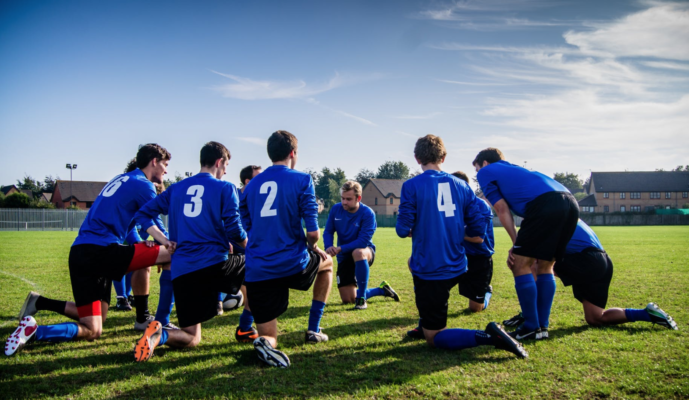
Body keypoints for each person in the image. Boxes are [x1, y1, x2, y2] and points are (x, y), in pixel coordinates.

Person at [6, 144, 174, 357]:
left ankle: (34, 329)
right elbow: (154, 218)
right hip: (100, 251)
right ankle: (151, 319)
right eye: (165, 165)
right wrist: (167, 243)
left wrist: (145, 245)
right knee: (172, 253)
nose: (166, 171)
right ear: (154, 161)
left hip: (80, 253)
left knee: (93, 327)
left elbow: (126, 227)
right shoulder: (144, 185)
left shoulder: (121, 180)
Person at [396, 135, 527, 359]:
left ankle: (488, 336)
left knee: (434, 337)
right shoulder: (462, 186)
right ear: (444, 157)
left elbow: (402, 229)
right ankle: (426, 320)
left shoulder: (411, 185)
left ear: (417, 158)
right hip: (459, 264)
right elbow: (478, 227)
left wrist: (415, 227)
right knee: (419, 275)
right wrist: (455, 230)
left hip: (431, 268)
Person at [132, 141, 256, 362]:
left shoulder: (176, 188)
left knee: (192, 337)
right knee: (261, 269)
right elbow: (235, 230)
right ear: (219, 162)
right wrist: (251, 248)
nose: (226, 170)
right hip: (214, 265)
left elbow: (142, 214)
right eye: (226, 165)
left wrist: (164, 240)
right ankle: (246, 327)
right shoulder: (226, 187)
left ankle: (158, 336)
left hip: (183, 271)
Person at [240, 130, 333, 368]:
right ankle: (313, 328)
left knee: (270, 335)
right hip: (292, 263)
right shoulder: (302, 179)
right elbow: (313, 233)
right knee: (328, 264)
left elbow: (245, 228)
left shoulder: (250, 187)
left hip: (259, 269)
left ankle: (265, 343)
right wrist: (313, 247)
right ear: (293, 153)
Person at [473, 148, 579, 341]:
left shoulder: (486, 171)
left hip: (545, 204)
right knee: (545, 266)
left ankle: (530, 326)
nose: (477, 173)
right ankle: (541, 327)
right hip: (570, 202)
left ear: (484, 163)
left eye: (477, 168)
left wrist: (516, 242)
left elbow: (501, 209)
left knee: (519, 264)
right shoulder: (514, 170)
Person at [502, 220, 678, 332]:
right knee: (595, 318)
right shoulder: (563, 211)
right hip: (602, 262)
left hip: (586, 259)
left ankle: (530, 317)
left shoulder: (547, 216)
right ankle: (647, 314)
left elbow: (538, 255)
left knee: (534, 265)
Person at [324, 180, 399, 309]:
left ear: (358, 198)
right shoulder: (336, 209)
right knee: (348, 299)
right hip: (343, 256)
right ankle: (382, 290)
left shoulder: (368, 213)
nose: (344, 202)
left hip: (365, 252)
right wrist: (329, 247)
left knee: (358, 252)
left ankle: (362, 299)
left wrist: (340, 248)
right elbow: (328, 231)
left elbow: (362, 241)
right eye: (342, 198)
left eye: (348, 199)